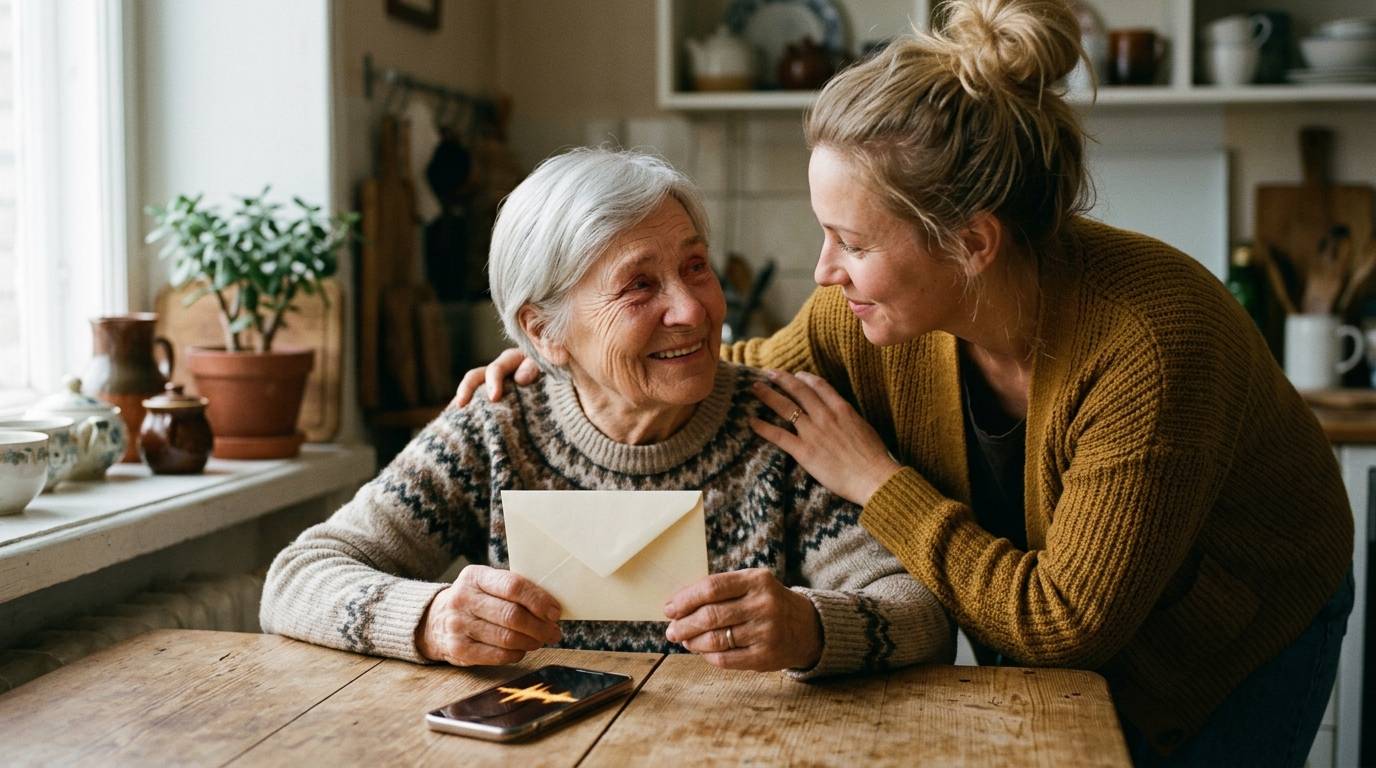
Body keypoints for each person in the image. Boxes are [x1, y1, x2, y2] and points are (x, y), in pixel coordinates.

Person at [450, 2, 1354, 764]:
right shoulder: (870, 318)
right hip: (1062, 646)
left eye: (853, 241)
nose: (824, 271)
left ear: (971, 243)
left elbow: (1064, 624)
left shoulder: (1152, 342)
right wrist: (569, 361)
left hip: (1236, 628)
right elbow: (741, 375)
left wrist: (876, 481)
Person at [260, 148, 952, 680]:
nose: (692, 309)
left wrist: (809, 627)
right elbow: (297, 577)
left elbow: (919, 615)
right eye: (639, 285)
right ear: (544, 331)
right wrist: (432, 618)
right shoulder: (496, 426)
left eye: (697, 267)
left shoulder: (778, 426)